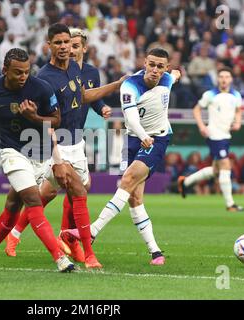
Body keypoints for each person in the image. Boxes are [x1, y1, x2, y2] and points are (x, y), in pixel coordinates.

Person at [5, 23, 124, 269]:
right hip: (55, 145)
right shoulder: (44, 79)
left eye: (67, 43)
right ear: (48, 45)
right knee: (77, 192)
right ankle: (87, 253)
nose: (63, 47)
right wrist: (56, 155)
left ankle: (15, 234)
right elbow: (46, 119)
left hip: (76, 142)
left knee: (48, 194)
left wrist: (115, 86)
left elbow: (81, 97)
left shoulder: (75, 69)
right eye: (58, 43)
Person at [0, 48, 75, 272]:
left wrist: (34, 117)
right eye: (18, 72)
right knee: (33, 200)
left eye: (26, 72)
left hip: (39, 153)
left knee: (12, 205)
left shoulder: (41, 88)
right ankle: (60, 259)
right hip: (12, 151)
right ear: (5, 70)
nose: (23, 77)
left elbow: (56, 120)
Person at [66, 48, 181, 266]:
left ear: (165, 68)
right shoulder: (130, 86)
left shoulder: (167, 79)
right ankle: (155, 252)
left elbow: (174, 77)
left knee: (127, 180)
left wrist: (176, 75)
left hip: (157, 139)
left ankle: (90, 232)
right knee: (134, 198)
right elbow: (131, 118)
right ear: (144, 63)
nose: (155, 70)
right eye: (152, 64)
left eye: (160, 66)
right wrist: (142, 135)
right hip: (135, 138)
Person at [178, 67, 244, 212]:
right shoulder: (210, 94)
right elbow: (196, 109)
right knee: (226, 165)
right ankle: (230, 204)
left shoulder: (236, 95)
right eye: (221, 76)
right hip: (215, 135)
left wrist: (238, 122)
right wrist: (202, 126)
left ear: (231, 79)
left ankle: (185, 182)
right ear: (218, 79)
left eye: (227, 76)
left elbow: (239, 111)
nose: (224, 79)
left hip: (226, 135)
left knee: (216, 170)